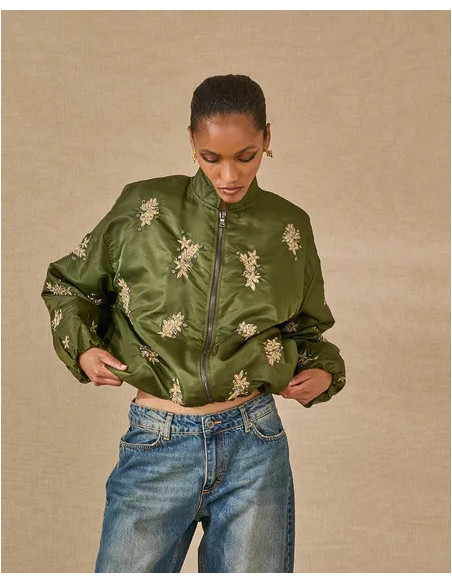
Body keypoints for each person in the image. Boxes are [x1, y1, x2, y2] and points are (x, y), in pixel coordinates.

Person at [41, 74, 346, 573]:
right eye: (211, 157)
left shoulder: (289, 226)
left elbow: (306, 331)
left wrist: (324, 373)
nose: (229, 175)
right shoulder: (142, 209)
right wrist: (83, 347)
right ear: (191, 142)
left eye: (246, 156)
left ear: (267, 138)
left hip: (254, 444)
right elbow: (69, 286)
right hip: (159, 438)